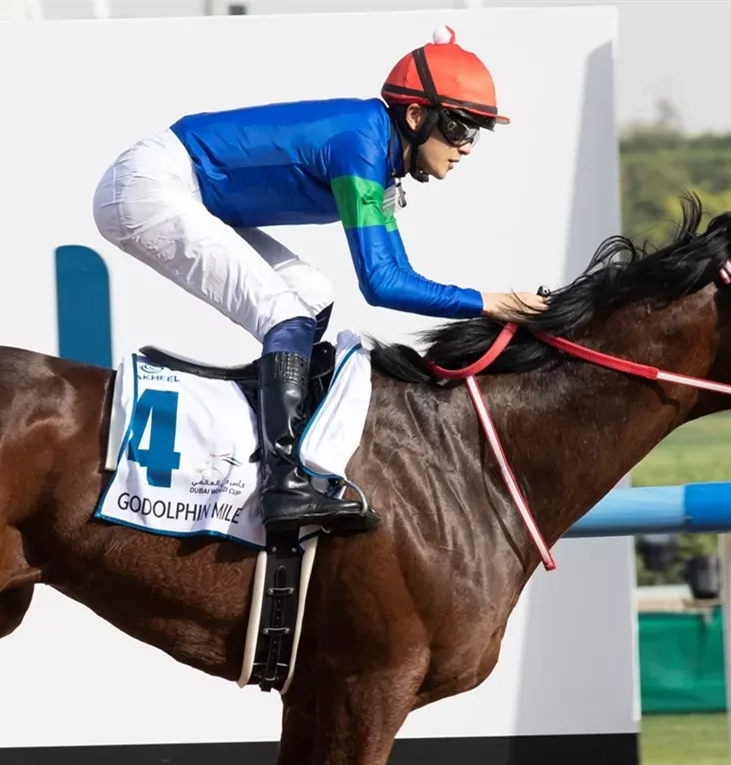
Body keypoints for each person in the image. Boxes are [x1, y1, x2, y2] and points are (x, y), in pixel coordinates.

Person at [92, 26, 546, 535]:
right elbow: (383, 284)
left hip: (187, 188)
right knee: (284, 313)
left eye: (477, 133)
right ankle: (282, 483)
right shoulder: (360, 146)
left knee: (311, 297)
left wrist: (492, 303)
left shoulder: (380, 159)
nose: (466, 148)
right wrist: (493, 303)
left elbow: (396, 273)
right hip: (150, 184)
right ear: (417, 116)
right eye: (461, 129)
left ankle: (277, 449)